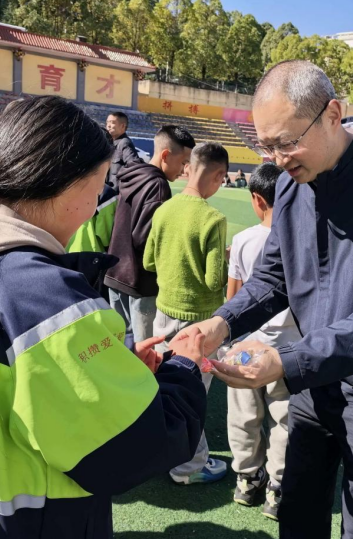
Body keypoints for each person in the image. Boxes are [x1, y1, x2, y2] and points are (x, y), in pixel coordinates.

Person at [0, 96, 207, 538]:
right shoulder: (42, 294)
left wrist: (107, 371)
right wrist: (185, 366)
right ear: (62, 186)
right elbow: (132, 449)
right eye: (98, 186)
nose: (96, 205)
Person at [175, 60, 353, 539]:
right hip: (316, 375)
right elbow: (272, 277)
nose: (277, 159)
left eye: (286, 142)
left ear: (332, 114)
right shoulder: (290, 184)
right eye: (266, 146)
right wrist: (221, 323)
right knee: (297, 511)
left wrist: (287, 360)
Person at [144, 141, 229, 486]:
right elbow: (213, 280)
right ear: (220, 176)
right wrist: (226, 262)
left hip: (163, 315)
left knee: (163, 386)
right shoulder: (213, 219)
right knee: (192, 394)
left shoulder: (164, 209)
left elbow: (149, 261)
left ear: (189, 167)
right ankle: (188, 466)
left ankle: (164, 453)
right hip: (198, 325)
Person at [226, 162, 301, 520]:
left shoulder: (244, 239)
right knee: (284, 419)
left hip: (246, 344)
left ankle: (246, 477)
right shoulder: (303, 239)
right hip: (289, 348)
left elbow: (234, 296)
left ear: (257, 200)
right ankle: (277, 487)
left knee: (243, 414)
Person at [105, 125, 195, 343]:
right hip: (140, 281)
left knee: (120, 347)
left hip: (115, 273)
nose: (185, 170)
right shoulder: (158, 185)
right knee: (143, 351)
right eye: (183, 162)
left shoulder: (133, 174)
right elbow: (146, 239)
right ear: (165, 155)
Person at [105, 111, 141, 191]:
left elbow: (134, 167)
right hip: (107, 192)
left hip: (117, 194)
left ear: (122, 126)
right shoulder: (109, 143)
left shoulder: (124, 143)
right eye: (107, 122)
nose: (108, 125)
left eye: (112, 122)